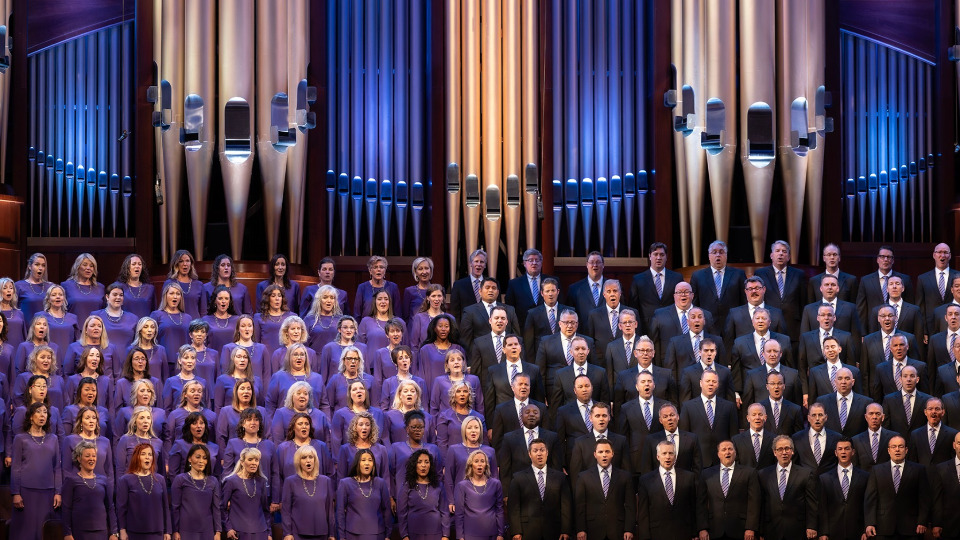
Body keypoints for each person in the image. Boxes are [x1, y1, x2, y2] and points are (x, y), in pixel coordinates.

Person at [10, 402, 62, 540]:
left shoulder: (53, 439)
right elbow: (16, 467)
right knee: (25, 532)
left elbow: (57, 467)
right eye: (38, 411)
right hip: (26, 492)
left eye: (45, 412)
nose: (42, 415)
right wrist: (15, 493)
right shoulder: (20, 439)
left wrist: (58, 492)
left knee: (43, 532)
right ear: (31, 417)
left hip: (48, 492)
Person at [637, 440, 708, 540]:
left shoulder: (689, 477)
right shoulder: (646, 480)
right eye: (664, 453)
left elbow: (693, 507)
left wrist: (694, 533)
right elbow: (643, 514)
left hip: (684, 533)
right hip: (657, 534)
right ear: (658, 457)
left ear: (675, 457)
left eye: (671, 453)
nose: (667, 457)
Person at [864, 435, 930, 540]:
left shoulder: (919, 470)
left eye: (901, 446)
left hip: (911, 528)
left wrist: (922, 521)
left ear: (906, 450)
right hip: (883, 527)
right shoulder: (877, 470)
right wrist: (870, 523)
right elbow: (870, 499)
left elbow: (924, 499)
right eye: (894, 447)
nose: (897, 450)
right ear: (888, 450)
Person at [757, 435, 819, 540]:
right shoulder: (763, 474)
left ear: (792, 451)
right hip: (771, 529)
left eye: (787, 448)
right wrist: (760, 530)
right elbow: (761, 503)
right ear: (774, 452)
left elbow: (811, 503)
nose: (784, 452)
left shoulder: (806, 474)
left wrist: (811, 526)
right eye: (780, 449)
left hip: (797, 529)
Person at [574, 438, 635, 540]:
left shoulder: (625, 476)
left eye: (607, 451)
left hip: (618, 530)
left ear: (612, 453)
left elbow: (630, 506)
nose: (604, 455)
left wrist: (629, 529)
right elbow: (580, 506)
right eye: (600, 452)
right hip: (592, 530)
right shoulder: (584, 477)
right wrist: (580, 529)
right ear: (595, 454)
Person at [272, 412, 336, 509]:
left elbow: (330, 473)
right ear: (293, 427)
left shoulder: (320, 446)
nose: (304, 426)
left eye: (306, 424)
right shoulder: (283, 448)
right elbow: (278, 476)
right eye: (300, 424)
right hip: (292, 500)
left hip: (318, 499)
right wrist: (279, 499)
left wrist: (331, 497)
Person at [679, 370, 738, 469]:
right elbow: (685, 436)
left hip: (722, 461)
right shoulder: (688, 407)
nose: (711, 384)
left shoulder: (729, 407)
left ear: (718, 385)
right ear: (701, 383)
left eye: (714, 382)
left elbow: (734, 436)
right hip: (698, 461)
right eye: (708, 381)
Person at [702, 440, 761, 540]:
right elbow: (701, 503)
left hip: (740, 529)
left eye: (730, 449)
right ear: (718, 454)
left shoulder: (749, 473)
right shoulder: (706, 474)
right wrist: (702, 528)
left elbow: (754, 502)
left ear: (735, 452)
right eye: (723, 449)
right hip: (714, 529)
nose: (727, 452)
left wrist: (750, 528)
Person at [61, 440, 118, 540]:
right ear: (79, 458)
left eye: (94, 456)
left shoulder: (103, 480)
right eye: (87, 456)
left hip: (101, 531)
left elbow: (110, 507)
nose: (91, 459)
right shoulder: (71, 480)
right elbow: (66, 508)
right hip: (79, 531)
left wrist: (114, 532)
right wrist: (67, 533)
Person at [689, 240, 747, 334]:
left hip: (733, 327)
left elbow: (744, 302)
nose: (718, 255)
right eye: (714, 252)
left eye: (721, 252)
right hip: (707, 327)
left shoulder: (738, 274)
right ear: (709, 256)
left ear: (726, 255)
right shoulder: (698, 276)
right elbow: (694, 304)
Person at [117, 443, 172, 539]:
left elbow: (165, 507)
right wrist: (122, 530)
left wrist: (167, 531)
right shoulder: (125, 480)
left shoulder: (160, 479)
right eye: (143, 454)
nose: (147, 457)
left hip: (157, 532)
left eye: (150, 454)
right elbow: (122, 508)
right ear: (136, 457)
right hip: (134, 532)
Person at [817, 438, 868, 540]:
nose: (843, 452)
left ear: (853, 452)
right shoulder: (825, 478)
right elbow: (822, 508)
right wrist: (823, 532)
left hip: (857, 531)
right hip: (833, 532)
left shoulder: (864, 476)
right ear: (836, 453)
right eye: (840, 449)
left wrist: (865, 529)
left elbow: (867, 505)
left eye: (847, 449)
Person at [281, 445, 336, 540]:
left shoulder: (325, 481)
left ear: (315, 460)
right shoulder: (290, 481)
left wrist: (332, 534)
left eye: (311, 457)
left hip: (322, 533)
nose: (308, 460)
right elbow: (286, 510)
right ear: (298, 461)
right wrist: (287, 533)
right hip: (297, 534)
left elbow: (329, 510)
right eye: (304, 457)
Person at [337, 448, 393, 540]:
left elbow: (386, 510)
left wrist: (388, 535)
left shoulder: (380, 483)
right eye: (363, 460)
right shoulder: (345, 483)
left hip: (377, 534)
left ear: (373, 464)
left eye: (370, 460)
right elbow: (340, 512)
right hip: (353, 534)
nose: (367, 463)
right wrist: (342, 536)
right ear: (357, 463)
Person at [171, 444, 222, 540]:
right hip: (185, 530)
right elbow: (175, 507)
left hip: (208, 530)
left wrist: (218, 531)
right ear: (190, 459)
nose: (201, 461)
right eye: (197, 457)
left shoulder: (213, 481)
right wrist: (175, 531)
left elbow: (216, 508)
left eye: (204, 458)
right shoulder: (180, 479)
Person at [856, 245, 914, 330]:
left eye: (889, 257)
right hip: (874, 328)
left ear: (893, 260)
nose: (886, 259)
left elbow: (910, 306)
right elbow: (861, 309)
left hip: (900, 328)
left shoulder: (905, 279)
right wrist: (863, 332)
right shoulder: (866, 280)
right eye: (882, 257)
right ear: (877, 259)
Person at [397, 449, 450, 540]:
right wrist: (404, 535)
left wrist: (445, 535)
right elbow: (402, 513)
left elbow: (445, 512)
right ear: (414, 465)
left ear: (430, 465)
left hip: (435, 533)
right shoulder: (407, 486)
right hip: (413, 533)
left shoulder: (438, 486)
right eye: (419, 462)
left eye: (426, 462)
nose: (423, 465)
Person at [630, 243, 683, 332]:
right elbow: (633, 307)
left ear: (666, 257)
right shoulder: (638, 279)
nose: (658, 258)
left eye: (662, 255)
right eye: (655, 254)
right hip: (646, 328)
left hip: (671, 327)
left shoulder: (677, 278)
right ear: (650, 256)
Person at [389, 410, 443, 497]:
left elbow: (439, 475)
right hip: (402, 496)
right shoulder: (396, 448)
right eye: (414, 427)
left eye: (420, 427)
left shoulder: (433, 449)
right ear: (407, 429)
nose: (417, 430)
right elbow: (391, 475)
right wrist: (391, 496)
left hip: (427, 497)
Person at [454, 449, 505, 540]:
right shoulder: (462, 486)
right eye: (476, 461)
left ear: (486, 465)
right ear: (471, 464)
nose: (480, 464)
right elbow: (459, 514)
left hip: (492, 533)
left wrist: (501, 533)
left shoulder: (496, 484)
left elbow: (499, 510)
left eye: (482, 461)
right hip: (470, 534)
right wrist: (460, 536)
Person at [221, 447, 271, 540]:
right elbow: (222, 507)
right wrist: (228, 529)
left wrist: (269, 533)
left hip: (261, 532)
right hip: (238, 532)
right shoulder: (230, 481)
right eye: (250, 459)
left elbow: (265, 510)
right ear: (242, 462)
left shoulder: (262, 481)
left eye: (256, 460)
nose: (254, 463)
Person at [444, 415, 497, 499]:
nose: (473, 431)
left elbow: (494, 478)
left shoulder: (490, 451)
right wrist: (451, 500)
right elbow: (449, 478)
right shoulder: (453, 450)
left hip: (485, 498)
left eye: (476, 427)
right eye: (469, 428)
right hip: (461, 498)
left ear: (480, 430)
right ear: (464, 430)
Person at [459, 277, 521, 349]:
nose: (490, 290)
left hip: (505, 355)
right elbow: (466, 340)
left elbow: (516, 336)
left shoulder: (510, 310)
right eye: (487, 287)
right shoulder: (470, 311)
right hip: (480, 355)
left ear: (497, 292)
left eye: (494, 288)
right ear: (480, 291)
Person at [264, 342, 323, 415]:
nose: (299, 357)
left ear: (306, 357)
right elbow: (270, 404)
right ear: (289, 357)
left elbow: (324, 405)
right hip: (285, 423)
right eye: (295, 354)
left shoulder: (317, 378)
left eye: (302, 354)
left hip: (312, 423)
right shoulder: (278, 377)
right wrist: (272, 424)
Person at [61, 406, 113, 486]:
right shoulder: (70, 440)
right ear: (81, 422)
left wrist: (109, 493)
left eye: (94, 418)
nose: (91, 421)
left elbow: (109, 472)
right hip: (78, 487)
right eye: (87, 418)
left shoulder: (105, 441)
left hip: (101, 488)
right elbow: (66, 470)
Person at [332, 380, 388, 451]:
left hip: (374, 456)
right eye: (354, 389)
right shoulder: (340, 414)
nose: (359, 391)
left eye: (361, 388)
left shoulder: (378, 413)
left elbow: (385, 439)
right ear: (350, 394)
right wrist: (337, 461)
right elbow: (336, 441)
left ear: (365, 393)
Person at [505, 248, 554, 328]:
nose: (534, 263)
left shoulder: (552, 281)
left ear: (541, 263)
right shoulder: (514, 284)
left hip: (547, 327)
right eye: (530, 260)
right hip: (523, 327)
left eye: (537, 260)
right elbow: (510, 308)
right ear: (524, 263)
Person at [215, 379, 269, 451]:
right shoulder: (226, 411)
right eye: (242, 388)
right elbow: (221, 437)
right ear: (236, 392)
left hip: (258, 453)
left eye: (249, 389)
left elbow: (268, 435)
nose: (246, 391)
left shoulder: (262, 411)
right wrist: (223, 457)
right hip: (233, 454)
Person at [150, 283, 193, 373]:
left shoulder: (188, 317)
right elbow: (151, 339)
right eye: (172, 293)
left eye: (178, 294)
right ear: (165, 295)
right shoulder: (157, 315)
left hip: (184, 363)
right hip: (163, 361)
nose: (175, 296)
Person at [336, 411, 389, 482]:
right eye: (361, 424)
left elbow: (385, 477)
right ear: (355, 427)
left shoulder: (381, 449)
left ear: (371, 428)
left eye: (367, 425)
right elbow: (341, 477)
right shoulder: (345, 449)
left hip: (375, 491)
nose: (364, 427)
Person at [165, 379, 217, 450]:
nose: (196, 394)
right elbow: (168, 439)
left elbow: (216, 440)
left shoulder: (212, 415)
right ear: (185, 394)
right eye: (192, 391)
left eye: (199, 391)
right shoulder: (174, 415)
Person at [222, 407, 275, 476]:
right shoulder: (233, 444)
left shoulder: (270, 445)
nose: (253, 423)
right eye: (249, 420)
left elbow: (275, 473)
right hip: (239, 486)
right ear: (242, 424)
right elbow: (227, 472)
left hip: (265, 486)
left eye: (256, 420)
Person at [114, 406, 165, 478]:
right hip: (130, 484)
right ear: (134, 422)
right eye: (141, 418)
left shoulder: (158, 442)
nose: (146, 421)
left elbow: (161, 471)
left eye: (148, 418)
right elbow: (120, 469)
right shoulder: (125, 440)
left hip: (152, 484)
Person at [167, 411, 221, 479]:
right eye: (194, 423)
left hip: (209, 487)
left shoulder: (214, 448)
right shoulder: (179, 445)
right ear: (189, 427)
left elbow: (218, 475)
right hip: (185, 486)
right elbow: (173, 473)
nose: (199, 426)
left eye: (201, 423)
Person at [436, 380, 485, 454]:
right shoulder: (445, 416)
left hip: (475, 459)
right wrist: (445, 464)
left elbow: (484, 443)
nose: (462, 394)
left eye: (465, 391)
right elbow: (442, 443)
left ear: (469, 394)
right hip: (453, 459)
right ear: (454, 395)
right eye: (458, 391)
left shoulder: (479, 417)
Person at [13, 343, 66, 411]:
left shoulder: (59, 380)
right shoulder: (23, 378)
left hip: (55, 419)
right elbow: (18, 402)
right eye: (42, 357)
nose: (46, 360)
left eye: (49, 358)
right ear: (34, 359)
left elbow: (65, 402)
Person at [429, 348, 480, 416]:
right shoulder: (439, 381)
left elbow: (480, 405)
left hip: (470, 422)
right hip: (446, 422)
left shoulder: (474, 379)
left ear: (464, 362)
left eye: (459, 359)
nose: (456, 362)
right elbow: (434, 407)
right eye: (452, 360)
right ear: (447, 364)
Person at [112, 380, 166, 446]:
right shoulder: (124, 412)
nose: (146, 393)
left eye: (149, 391)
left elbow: (166, 438)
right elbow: (117, 437)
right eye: (142, 390)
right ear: (135, 393)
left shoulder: (161, 413)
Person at [213, 346, 264, 413]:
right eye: (239, 357)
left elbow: (260, 405)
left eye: (245, 357)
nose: (242, 360)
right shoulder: (222, 380)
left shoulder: (257, 380)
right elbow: (218, 408)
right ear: (233, 359)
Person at [929, 431, 960, 540]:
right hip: (949, 526)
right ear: (954, 445)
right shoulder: (941, 469)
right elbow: (937, 499)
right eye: (959, 443)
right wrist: (936, 523)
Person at [221, 314, 269, 384]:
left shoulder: (262, 349)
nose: (247, 329)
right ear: (238, 329)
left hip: (257, 391)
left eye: (249, 326)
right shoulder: (228, 348)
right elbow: (225, 375)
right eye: (243, 326)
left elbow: (266, 376)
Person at [325, 346, 375, 412]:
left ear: (359, 361)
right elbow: (329, 406)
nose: (353, 361)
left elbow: (375, 405)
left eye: (356, 359)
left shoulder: (369, 379)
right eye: (349, 358)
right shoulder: (335, 380)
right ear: (344, 361)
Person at [318, 317, 368, 382]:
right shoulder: (329, 348)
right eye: (345, 327)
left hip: (357, 388)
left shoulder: (362, 348)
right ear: (339, 329)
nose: (349, 330)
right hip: (336, 388)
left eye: (352, 327)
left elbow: (366, 373)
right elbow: (323, 375)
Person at [353, 255, 402, 322]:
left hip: (389, 327)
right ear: (370, 271)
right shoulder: (362, 287)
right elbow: (357, 314)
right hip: (367, 326)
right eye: (375, 267)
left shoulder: (393, 287)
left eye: (381, 267)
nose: (378, 269)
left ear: (385, 271)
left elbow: (397, 313)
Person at [418, 313, 464, 385]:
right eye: (440, 326)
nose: (443, 329)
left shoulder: (458, 348)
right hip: (432, 390)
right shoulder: (425, 350)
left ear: (450, 329)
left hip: (455, 391)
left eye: (446, 326)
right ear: (434, 328)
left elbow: (464, 374)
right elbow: (422, 376)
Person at [369, 320, 410, 397]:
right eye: (392, 331)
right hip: (388, 395)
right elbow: (378, 381)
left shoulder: (409, 354)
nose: (395, 334)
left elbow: (413, 376)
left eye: (398, 331)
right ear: (387, 335)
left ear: (402, 333)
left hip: (407, 394)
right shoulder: (380, 353)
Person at [379, 345, 426, 412]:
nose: (404, 360)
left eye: (407, 357)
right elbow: (384, 408)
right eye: (400, 358)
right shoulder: (388, 383)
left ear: (410, 361)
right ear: (396, 363)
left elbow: (424, 407)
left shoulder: (420, 382)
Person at [60, 253, 105, 323]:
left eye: (91, 266)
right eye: (85, 265)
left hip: (95, 329)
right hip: (74, 329)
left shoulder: (100, 287)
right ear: (77, 266)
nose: (88, 268)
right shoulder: (66, 286)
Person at [254, 284, 295, 361]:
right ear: (267, 299)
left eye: (279, 296)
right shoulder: (259, 317)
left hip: (287, 357)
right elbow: (256, 342)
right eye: (273, 296)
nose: (277, 299)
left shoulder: (291, 316)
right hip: (266, 357)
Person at [162, 345, 208, 412]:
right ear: (179, 360)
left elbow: (207, 408)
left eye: (192, 358)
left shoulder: (202, 382)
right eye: (186, 358)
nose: (190, 361)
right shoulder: (171, 382)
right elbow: (167, 410)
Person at [384, 379, 432, 444]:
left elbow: (432, 441)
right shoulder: (389, 416)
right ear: (400, 395)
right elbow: (386, 440)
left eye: (412, 391)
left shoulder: (427, 417)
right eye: (405, 391)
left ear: (417, 395)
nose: (409, 394)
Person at [91, 283, 139, 348]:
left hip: (128, 357)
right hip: (104, 356)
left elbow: (138, 342)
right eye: (115, 294)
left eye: (121, 295)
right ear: (107, 297)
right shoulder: (96, 316)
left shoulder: (133, 318)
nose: (118, 297)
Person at [13, 314, 59, 381]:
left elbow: (58, 372)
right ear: (33, 328)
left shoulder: (55, 347)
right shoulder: (24, 346)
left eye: (44, 325)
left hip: (50, 383)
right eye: (38, 324)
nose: (42, 327)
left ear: (47, 329)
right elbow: (19, 371)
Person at [166, 249, 208, 318]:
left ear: (191, 264)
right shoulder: (169, 283)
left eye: (187, 261)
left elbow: (203, 312)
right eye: (181, 261)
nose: (185, 264)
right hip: (176, 324)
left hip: (195, 326)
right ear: (176, 264)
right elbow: (164, 308)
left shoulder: (199, 285)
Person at [41, 284, 81, 357]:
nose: (58, 297)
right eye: (54, 295)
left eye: (60, 294)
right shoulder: (41, 316)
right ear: (48, 299)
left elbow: (77, 342)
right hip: (48, 358)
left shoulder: (73, 317)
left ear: (64, 298)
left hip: (68, 358)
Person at [126, 316, 170, 382]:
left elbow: (165, 375)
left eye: (152, 327)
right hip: (138, 389)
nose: (149, 330)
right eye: (145, 327)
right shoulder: (131, 349)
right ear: (140, 330)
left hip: (157, 389)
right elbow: (127, 373)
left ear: (155, 331)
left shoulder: (161, 350)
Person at [113, 253, 156, 318]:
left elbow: (154, 311)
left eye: (139, 264)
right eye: (133, 264)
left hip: (145, 327)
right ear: (127, 268)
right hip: (125, 326)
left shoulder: (150, 288)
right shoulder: (118, 287)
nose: (137, 266)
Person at [303, 284, 343, 353]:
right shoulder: (309, 319)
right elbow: (303, 344)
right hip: (315, 359)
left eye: (332, 298)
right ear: (319, 300)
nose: (329, 301)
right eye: (325, 297)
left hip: (336, 360)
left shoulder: (340, 319)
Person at [449, 248, 487, 321]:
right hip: (466, 329)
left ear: (485, 265)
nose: (479, 264)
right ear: (470, 264)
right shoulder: (458, 285)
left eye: (481, 262)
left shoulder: (492, 284)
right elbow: (455, 312)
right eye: (476, 261)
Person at [15, 253, 54, 323]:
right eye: (37, 264)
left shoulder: (50, 287)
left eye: (43, 265)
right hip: (27, 329)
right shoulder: (19, 285)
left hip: (46, 329)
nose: (40, 268)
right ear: (30, 266)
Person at [408, 283, 445, 356]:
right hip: (424, 358)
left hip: (444, 358)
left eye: (439, 296)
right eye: (433, 296)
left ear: (443, 298)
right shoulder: (419, 318)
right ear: (428, 298)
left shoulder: (449, 318)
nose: (436, 299)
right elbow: (414, 345)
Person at [202, 286, 241, 352]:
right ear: (215, 301)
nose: (223, 301)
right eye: (220, 298)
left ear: (230, 301)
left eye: (226, 298)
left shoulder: (237, 320)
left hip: (233, 359)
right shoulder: (206, 320)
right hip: (213, 359)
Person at [403, 257, 436, 323]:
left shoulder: (437, 290)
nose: (424, 272)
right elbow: (405, 316)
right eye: (420, 269)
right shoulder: (409, 291)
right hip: (414, 330)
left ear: (431, 270)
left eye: (426, 268)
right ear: (415, 272)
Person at [0, 278, 26, 356]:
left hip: (18, 352)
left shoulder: (19, 313)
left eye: (11, 288)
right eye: (5, 288)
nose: (9, 290)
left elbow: (24, 336)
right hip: (3, 353)